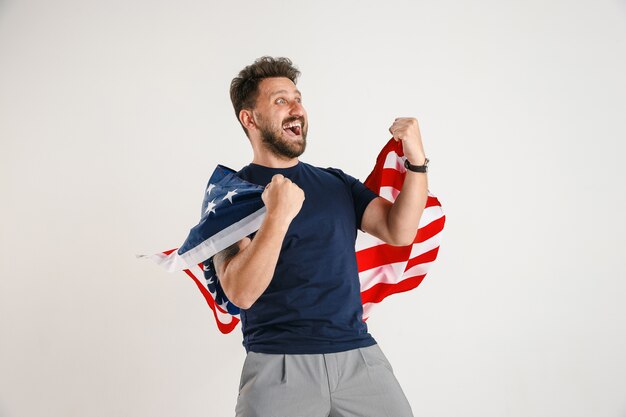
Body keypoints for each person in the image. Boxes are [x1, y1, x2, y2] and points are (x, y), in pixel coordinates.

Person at [213, 56, 429, 417]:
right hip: (278, 366)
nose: (296, 107)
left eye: (297, 98)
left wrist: (417, 162)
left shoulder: (335, 183)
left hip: (360, 358)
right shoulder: (230, 194)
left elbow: (399, 230)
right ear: (249, 119)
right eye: (280, 100)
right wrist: (278, 216)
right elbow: (240, 292)